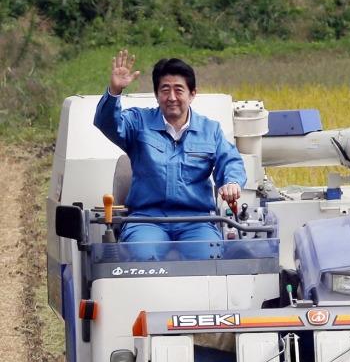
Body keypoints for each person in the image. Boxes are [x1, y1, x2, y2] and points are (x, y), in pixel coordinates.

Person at [93, 50, 246, 256]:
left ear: (192, 94)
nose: (171, 97)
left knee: (209, 256)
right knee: (142, 255)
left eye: (179, 90)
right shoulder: (138, 122)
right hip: (146, 220)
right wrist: (114, 92)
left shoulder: (211, 130)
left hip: (196, 221)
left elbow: (230, 161)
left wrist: (232, 183)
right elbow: (107, 123)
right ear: (156, 95)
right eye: (165, 90)